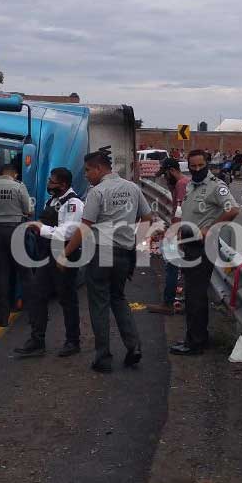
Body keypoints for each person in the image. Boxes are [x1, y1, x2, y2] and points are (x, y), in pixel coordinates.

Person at [62, 151, 152, 373]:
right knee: (119, 298)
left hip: (101, 252)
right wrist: (136, 244)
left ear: (99, 169)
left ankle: (103, 357)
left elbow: (84, 227)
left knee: (99, 305)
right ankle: (134, 347)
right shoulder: (132, 188)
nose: (86, 176)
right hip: (124, 253)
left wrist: (65, 254)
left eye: (87, 171)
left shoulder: (97, 192)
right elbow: (148, 218)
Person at [170, 149, 239, 356]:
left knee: (195, 296)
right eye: (193, 166)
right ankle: (197, 336)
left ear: (207, 164)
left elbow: (233, 209)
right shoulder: (191, 185)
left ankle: (195, 343)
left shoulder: (216, 187)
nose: (197, 169)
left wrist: (211, 228)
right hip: (190, 244)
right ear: (188, 166)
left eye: (201, 165)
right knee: (193, 295)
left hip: (202, 246)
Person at [15, 167, 84, 358]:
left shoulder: (73, 204)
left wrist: (41, 228)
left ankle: (73, 341)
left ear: (63, 184)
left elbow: (69, 232)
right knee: (37, 295)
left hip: (65, 254)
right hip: (46, 255)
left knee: (67, 299)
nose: (49, 184)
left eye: (52, 181)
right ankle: (37, 341)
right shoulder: (52, 201)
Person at [0, 164, 33, 326]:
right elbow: (29, 211)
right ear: (14, 174)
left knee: (0, 273)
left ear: (0, 173)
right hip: (16, 230)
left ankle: (2, 318)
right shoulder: (19, 187)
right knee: (25, 272)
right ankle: (35, 313)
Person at [148, 158, 190, 316]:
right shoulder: (182, 183)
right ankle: (181, 301)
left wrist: (174, 233)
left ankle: (168, 303)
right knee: (182, 268)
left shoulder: (181, 184)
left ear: (171, 171)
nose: (165, 179)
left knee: (172, 267)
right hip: (183, 230)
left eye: (165, 175)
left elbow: (179, 210)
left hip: (180, 231)